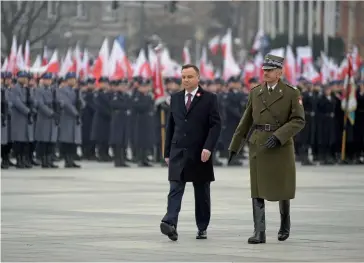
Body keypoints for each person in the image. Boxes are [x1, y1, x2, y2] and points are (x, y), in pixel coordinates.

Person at [228, 54, 305, 244]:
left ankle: (284, 225)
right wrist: (234, 146)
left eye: (270, 71)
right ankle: (259, 232)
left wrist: (279, 137)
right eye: (264, 70)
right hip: (259, 145)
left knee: (282, 187)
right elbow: (246, 121)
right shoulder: (255, 93)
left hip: (281, 146)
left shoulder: (291, 93)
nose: (265, 73)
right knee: (257, 188)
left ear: (280, 73)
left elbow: (298, 120)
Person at [160, 64, 221, 241]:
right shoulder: (176, 98)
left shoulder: (209, 98)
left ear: (198, 78)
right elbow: (171, 126)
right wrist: (167, 152)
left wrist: (208, 147)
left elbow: (215, 125)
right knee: (175, 188)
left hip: (200, 152)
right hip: (178, 150)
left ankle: (202, 226)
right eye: (183, 77)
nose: (186, 80)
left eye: (189, 77)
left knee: (201, 192)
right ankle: (170, 223)